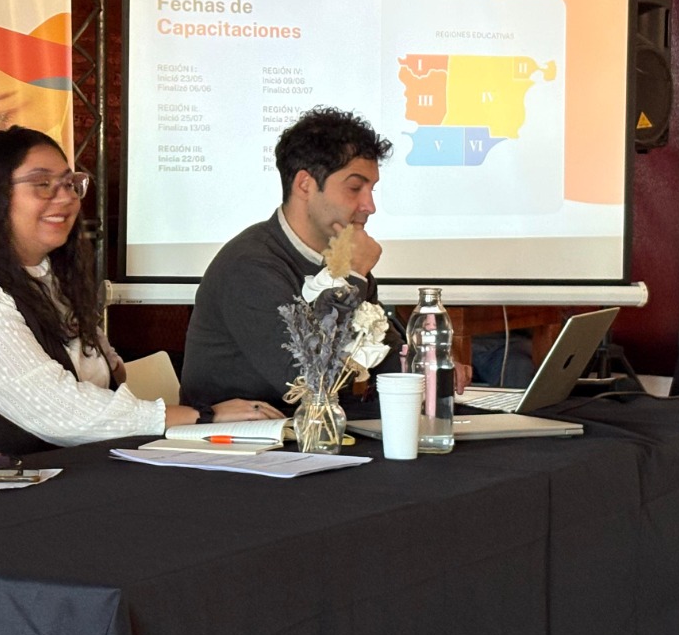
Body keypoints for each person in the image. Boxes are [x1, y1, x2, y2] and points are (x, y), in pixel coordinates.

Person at [0, 126, 278, 479]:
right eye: (43, 184)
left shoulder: (50, 282)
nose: (66, 197)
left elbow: (106, 377)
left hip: (47, 483)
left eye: (70, 184)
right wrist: (203, 417)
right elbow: (62, 413)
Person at [182, 106, 468, 412]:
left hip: (315, 428)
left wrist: (428, 366)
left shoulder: (339, 258)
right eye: (355, 188)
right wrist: (353, 276)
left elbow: (385, 353)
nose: (370, 205)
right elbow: (307, 381)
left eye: (371, 189)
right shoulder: (249, 265)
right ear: (305, 184)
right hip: (240, 435)